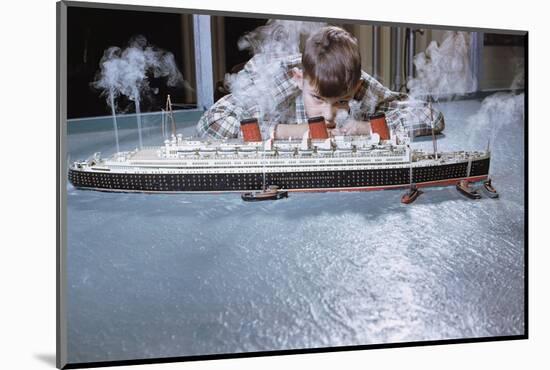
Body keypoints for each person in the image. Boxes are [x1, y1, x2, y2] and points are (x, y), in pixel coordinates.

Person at [196, 25, 444, 139]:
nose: (329, 115)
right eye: (318, 99)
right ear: (299, 80)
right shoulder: (273, 84)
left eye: (341, 102)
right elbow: (212, 123)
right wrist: (291, 131)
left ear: (355, 88)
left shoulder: (359, 85)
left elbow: (430, 116)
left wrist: (366, 128)